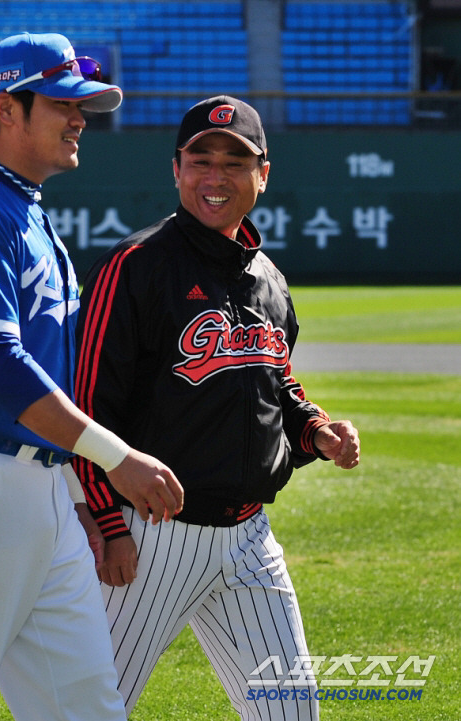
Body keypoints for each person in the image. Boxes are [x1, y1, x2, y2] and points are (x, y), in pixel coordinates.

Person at [0, 32, 183, 721]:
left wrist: (70, 487)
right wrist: (115, 458)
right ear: (7, 108)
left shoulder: (26, 211)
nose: (81, 117)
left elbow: (52, 375)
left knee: (85, 705)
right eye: (62, 103)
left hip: (43, 489)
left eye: (84, 104)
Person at [74, 95, 360, 721]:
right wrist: (108, 523)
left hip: (252, 536)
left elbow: (277, 393)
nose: (215, 176)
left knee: (291, 711)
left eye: (235, 162)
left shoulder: (269, 280)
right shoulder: (134, 266)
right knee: (90, 710)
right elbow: (88, 408)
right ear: (176, 169)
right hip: (152, 536)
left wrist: (318, 432)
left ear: (262, 173)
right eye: (201, 160)